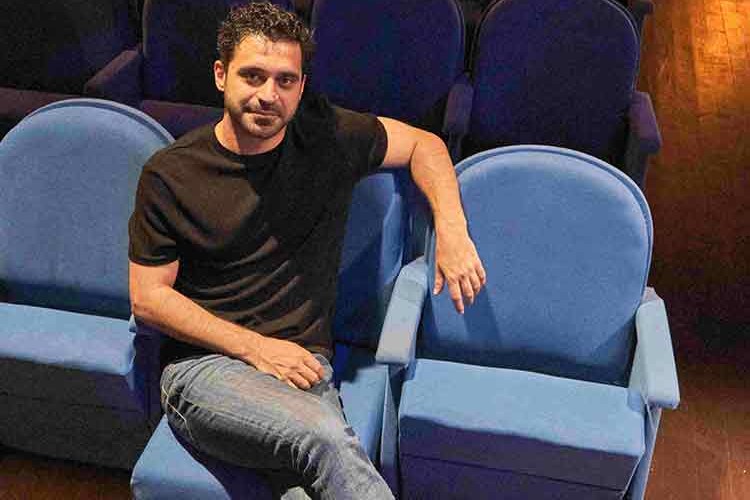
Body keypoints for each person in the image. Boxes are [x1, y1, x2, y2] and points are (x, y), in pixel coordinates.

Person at [128, 3, 485, 499]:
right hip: (205, 369)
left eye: (285, 81)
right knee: (324, 438)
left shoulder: (326, 135)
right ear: (220, 75)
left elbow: (425, 145)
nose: (267, 95)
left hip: (302, 368)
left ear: (301, 87)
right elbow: (148, 298)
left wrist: (451, 228)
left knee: (305, 489)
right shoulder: (171, 173)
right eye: (252, 76)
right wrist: (256, 349)